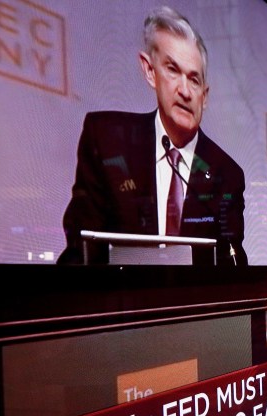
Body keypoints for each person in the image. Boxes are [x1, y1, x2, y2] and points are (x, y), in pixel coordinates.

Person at [58, 6, 246, 266]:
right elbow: (81, 251)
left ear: (205, 96)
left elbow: (233, 263)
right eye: (172, 70)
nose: (185, 91)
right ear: (150, 71)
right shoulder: (107, 140)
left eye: (194, 80)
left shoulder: (227, 174)